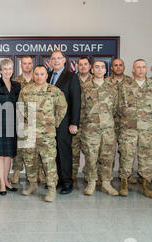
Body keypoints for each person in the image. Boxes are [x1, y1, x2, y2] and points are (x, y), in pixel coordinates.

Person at [19, 65, 67, 202]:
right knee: (29, 161)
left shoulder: (55, 91)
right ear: (33, 75)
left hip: (47, 134)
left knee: (49, 162)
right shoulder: (26, 91)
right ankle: (32, 184)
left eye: (42, 74)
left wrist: (52, 123)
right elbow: (20, 108)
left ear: (47, 76)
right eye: (37, 74)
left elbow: (62, 109)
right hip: (29, 133)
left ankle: (52, 189)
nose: (39, 76)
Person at [116, 59, 152, 198]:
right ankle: (124, 182)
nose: (141, 70)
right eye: (138, 67)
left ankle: (145, 184)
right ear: (133, 70)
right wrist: (127, 118)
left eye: (143, 67)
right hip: (128, 128)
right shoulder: (125, 85)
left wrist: (150, 119)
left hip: (147, 129)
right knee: (126, 155)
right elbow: (117, 106)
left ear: (146, 69)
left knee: (147, 156)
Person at [80, 61, 118, 196]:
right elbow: (82, 108)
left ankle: (106, 183)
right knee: (91, 157)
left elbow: (115, 108)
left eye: (102, 67)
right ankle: (91, 182)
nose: (100, 69)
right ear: (92, 69)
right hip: (90, 129)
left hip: (107, 128)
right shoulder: (86, 87)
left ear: (106, 70)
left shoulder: (112, 87)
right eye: (97, 67)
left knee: (107, 157)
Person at [47, 50, 81, 195]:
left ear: (64, 60)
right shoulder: (47, 76)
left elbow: (76, 101)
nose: (56, 61)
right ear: (50, 61)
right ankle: (59, 180)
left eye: (59, 58)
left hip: (65, 122)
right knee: (53, 153)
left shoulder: (71, 76)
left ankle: (67, 182)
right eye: (53, 58)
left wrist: (74, 122)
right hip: (49, 123)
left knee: (64, 153)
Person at [0, 58, 21, 195]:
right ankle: (1, 183)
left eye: (10, 68)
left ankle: (7, 180)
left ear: (13, 70)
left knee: (8, 155)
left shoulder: (17, 86)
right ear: (0, 70)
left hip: (12, 124)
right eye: (5, 69)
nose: (7, 71)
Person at [11, 56, 41, 185]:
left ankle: (39, 172)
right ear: (21, 65)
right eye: (24, 63)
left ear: (32, 65)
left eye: (29, 63)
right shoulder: (15, 81)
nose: (27, 66)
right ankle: (17, 172)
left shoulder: (39, 80)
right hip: (20, 120)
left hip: (37, 121)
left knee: (37, 148)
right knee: (19, 148)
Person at [72, 57, 93, 188]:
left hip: (91, 124)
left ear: (89, 66)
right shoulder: (73, 79)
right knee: (73, 151)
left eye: (85, 64)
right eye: (80, 65)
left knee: (91, 152)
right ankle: (72, 176)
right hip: (75, 122)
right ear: (77, 67)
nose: (83, 67)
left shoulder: (97, 80)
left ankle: (90, 177)